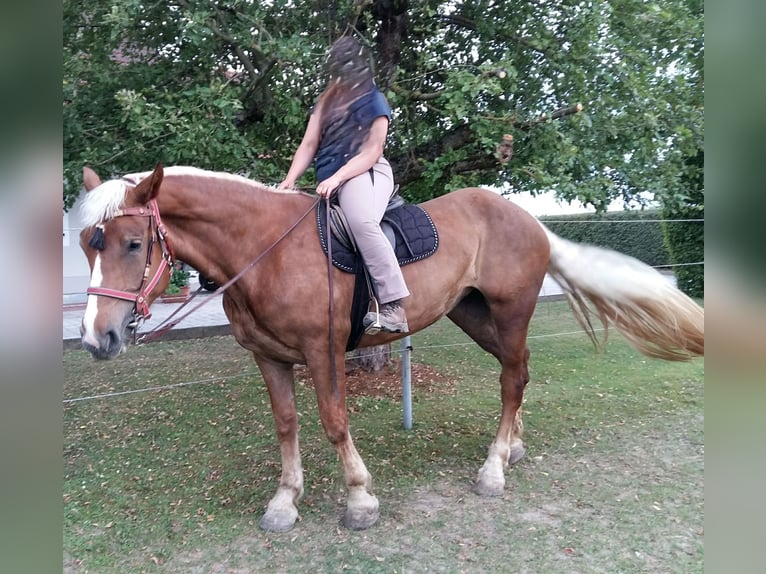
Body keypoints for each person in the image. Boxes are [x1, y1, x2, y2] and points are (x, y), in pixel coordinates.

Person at [278, 36, 410, 334]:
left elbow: (372, 150)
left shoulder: (374, 100)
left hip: (365, 173)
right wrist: (289, 180)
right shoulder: (327, 99)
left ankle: (393, 306)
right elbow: (309, 143)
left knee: (361, 221)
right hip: (329, 179)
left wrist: (338, 177)